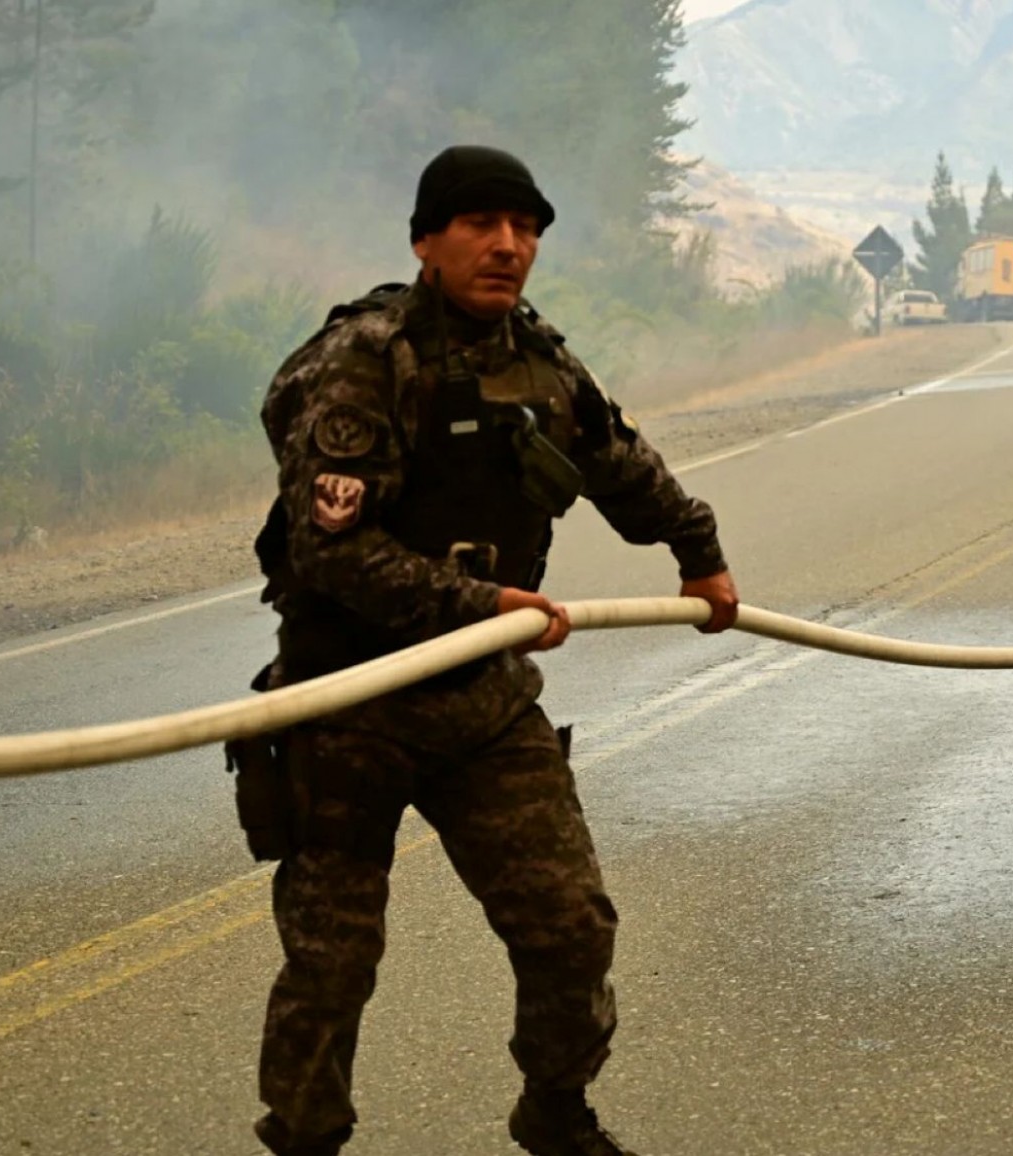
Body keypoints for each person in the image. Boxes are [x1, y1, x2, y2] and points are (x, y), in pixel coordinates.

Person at [245, 144, 741, 1156]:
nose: (508, 246)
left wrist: (699, 549)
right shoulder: (366, 361)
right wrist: (479, 602)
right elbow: (328, 552)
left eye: (526, 230)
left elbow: (619, 463)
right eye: (481, 224)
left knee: (570, 928)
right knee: (333, 964)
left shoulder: (541, 362)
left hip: (481, 706)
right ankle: (304, 1140)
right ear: (427, 241)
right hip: (348, 702)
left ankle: (555, 1113)